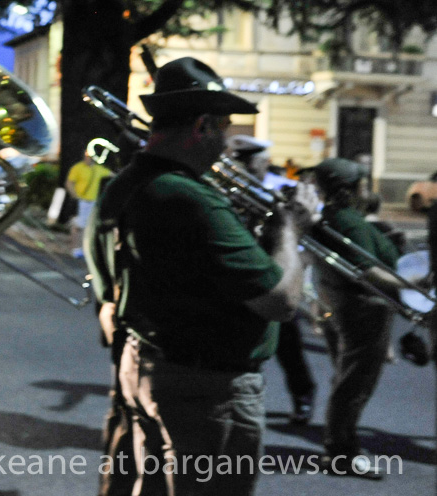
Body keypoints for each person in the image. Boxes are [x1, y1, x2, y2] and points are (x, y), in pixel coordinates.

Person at [99, 57, 305, 496]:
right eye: (225, 128)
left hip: (150, 362)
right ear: (203, 126)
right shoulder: (190, 197)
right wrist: (288, 231)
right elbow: (281, 301)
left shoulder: (128, 181)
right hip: (206, 386)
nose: (227, 143)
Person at [311, 157, 405, 479]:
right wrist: (414, 285)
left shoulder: (336, 217)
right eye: (361, 184)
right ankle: (341, 452)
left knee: (347, 378)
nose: (366, 189)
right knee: (355, 383)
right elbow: (366, 271)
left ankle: (342, 446)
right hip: (364, 309)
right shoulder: (348, 221)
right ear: (349, 190)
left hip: (348, 307)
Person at [228, 134, 316, 425]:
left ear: (264, 160)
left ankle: (303, 394)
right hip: (244, 272)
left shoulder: (285, 188)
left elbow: (309, 224)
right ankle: (239, 398)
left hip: (279, 270)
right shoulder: (230, 186)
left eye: (250, 161)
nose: (244, 166)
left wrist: (299, 263)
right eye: (241, 160)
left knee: (289, 344)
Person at [65, 140, 113, 257]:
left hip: (92, 202)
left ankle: (82, 250)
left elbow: (113, 175)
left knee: (86, 227)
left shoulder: (99, 169)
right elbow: (69, 182)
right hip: (81, 201)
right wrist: (74, 196)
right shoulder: (78, 168)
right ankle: (74, 249)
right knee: (78, 226)